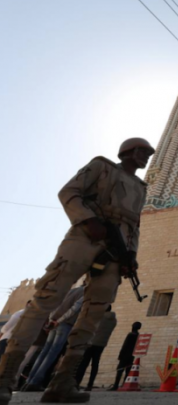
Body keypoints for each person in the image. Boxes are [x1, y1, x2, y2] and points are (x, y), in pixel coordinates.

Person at [0, 138, 153, 405]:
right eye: (142, 152)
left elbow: (134, 225)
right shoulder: (101, 167)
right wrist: (88, 220)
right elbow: (69, 193)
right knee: (46, 300)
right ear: (127, 152)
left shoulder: (141, 188)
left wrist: (131, 257)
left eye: (149, 154)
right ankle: (5, 378)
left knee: (94, 313)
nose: (146, 157)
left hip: (115, 252)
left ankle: (63, 382)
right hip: (84, 238)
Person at [22, 286, 85, 392]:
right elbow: (75, 308)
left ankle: (28, 382)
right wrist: (59, 321)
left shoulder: (70, 290)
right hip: (64, 324)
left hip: (54, 323)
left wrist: (52, 321)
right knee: (51, 354)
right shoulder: (85, 292)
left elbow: (56, 305)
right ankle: (35, 382)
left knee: (44, 353)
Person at [75, 306, 117, 391]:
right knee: (95, 364)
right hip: (101, 344)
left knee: (83, 364)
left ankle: (76, 383)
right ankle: (90, 384)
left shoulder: (100, 317)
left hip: (91, 342)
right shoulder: (114, 320)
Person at [108, 322, 141, 390]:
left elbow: (125, 345)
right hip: (132, 355)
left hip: (125, 355)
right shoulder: (138, 335)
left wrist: (120, 355)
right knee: (127, 371)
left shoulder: (130, 334)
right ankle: (124, 385)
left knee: (119, 371)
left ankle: (116, 385)